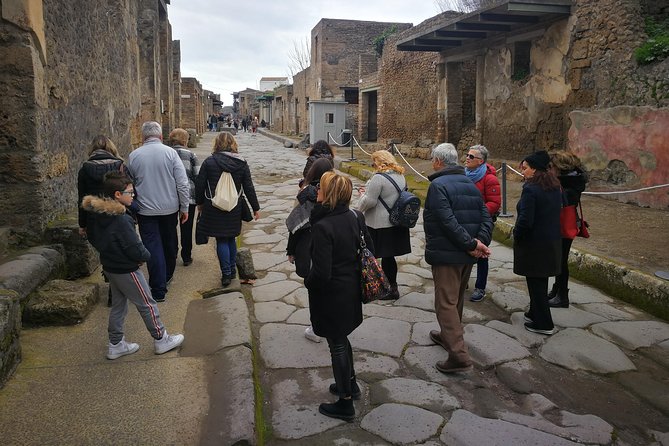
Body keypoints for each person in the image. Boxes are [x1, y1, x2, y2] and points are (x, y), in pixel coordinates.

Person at [82, 172, 184, 360]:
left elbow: (94, 238)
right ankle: (161, 338)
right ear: (117, 195)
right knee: (147, 303)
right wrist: (144, 256)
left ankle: (115, 344)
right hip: (126, 268)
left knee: (119, 306)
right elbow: (134, 246)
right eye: (130, 193)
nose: (133, 195)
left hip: (110, 266)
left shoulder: (97, 214)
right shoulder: (121, 219)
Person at [305, 171, 371, 421]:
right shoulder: (356, 216)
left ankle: (344, 403)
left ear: (329, 195)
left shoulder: (323, 226)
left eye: (320, 189)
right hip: (351, 289)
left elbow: (321, 273)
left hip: (332, 295)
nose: (316, 192)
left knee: (337, 345)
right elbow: (369, 251)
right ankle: (350, 385)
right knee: (342, 339)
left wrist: (307, 281)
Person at [424, 143, 492, 374]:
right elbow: (486, 217)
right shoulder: (470, 184)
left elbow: (447, 221)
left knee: (445, 302)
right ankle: (447, 336)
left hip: (449, 254)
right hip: (465, 254)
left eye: (433, 158)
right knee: (457, 300)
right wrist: (478, 244)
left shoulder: (438, 186)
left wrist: (473, 244)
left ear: (438, 162)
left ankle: (459, 355)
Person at [127, 121, 190, 303]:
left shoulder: (134, 156)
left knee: (153, 247)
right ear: (161, 136)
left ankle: (158, 288)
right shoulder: (171, 154)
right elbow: (182, 183)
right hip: (169, 208)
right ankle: (166, 277)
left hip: (146, 210)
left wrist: (133, 206)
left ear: (143, 137)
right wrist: (184, 207)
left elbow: (129, 185)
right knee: (169, 243)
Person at [195, 132, 260, 287]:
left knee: (221, 239)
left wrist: (200, 204)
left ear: (217, 144)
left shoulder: (209, 162)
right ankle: (231, 271)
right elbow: (248, 187)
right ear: (233, 144)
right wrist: (255, 207)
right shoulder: (241, 163)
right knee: (230, 237)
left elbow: (200, 184)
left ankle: (226, 274)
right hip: (234, 206)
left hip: (214, 206)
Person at [286, 158, 335, 343]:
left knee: (314, 289)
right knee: (329, 286)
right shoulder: (335, 190)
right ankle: (330, 321)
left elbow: (295, 224)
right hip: (330, 245)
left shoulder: (305, 193)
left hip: (308, 245)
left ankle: (316, 328)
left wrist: (291, 250)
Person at [513, 150, 562, 335]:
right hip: (550, 242)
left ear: (534, 169)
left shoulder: (531, 189)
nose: (523, 172)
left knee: (536, 284)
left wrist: (516, 234)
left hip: (534, 244)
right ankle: (534, 312)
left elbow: (526, 220)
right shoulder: (554, 187)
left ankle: (544, 323)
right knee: (540, 281)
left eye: (525, 168)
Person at [356, 150, 411, 300]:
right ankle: (392, 287)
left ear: (379, 162)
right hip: (396, 221)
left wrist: (361, 197)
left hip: (379, 223)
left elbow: (370, 201)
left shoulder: (378, 178)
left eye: (373, 162)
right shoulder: (400, 175)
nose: (373, 165)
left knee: (371, 255)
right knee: (389, 257)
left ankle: (374, 285)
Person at [547, 150, 588, 308]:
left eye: (552, 167)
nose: (549, 170)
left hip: (565, 225)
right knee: (559, 260)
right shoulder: (568, 180)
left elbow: (565, 201)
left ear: (560, 167)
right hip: (563, 224)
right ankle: (556, 290)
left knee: (561, 261)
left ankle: (562, 296)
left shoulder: (570, 183)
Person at [464, 144, 501, 302]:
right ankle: (463, 280)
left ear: (480, 161)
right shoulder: (464, 174)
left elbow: (494, 202)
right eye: (467, 155)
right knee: (463, 250)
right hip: (465, 220)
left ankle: (480, 287)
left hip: (482, 222)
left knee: (481, 254)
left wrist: (477, 212)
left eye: (471, 156)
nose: (467, 158)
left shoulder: (489, 178)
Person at [77, 135, 129, 239]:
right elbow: (130, 193)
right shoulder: (121, 167)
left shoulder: (84, 170)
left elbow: (82, 199)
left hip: (94, 217)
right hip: (119, 214)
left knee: (105, 250)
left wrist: (82, 224)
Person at [168, 128, 200, 267]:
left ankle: (173, 252)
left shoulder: (166, 154)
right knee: (186, 227)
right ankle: (186, 256)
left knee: (171, 226)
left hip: (169, 195)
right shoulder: (191, 155)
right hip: (188, 196)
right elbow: (197, 176)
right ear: (185, 140)